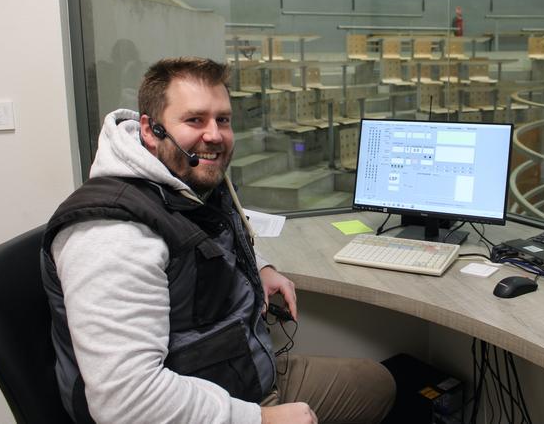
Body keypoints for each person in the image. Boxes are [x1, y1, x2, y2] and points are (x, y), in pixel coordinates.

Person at [41, 57, 396, 424]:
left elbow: (202, 233)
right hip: (205, 405)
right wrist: (263, 419)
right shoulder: (111, 233)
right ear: (150, 130)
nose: (214, 135)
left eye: (222, 120)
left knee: (376, 384)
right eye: (195, 120)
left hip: (236, 372)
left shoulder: (179, 182)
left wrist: (260, 266)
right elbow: (127, 403)